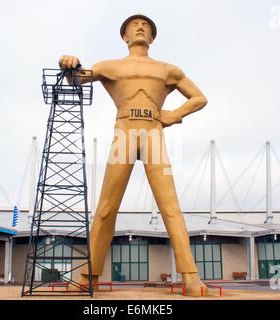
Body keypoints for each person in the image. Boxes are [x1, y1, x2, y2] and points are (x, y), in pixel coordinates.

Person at [59, 14, 208, 296]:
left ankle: (191, 277)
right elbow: (78, 78)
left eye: (146, 27)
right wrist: (69, 64)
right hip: (123, 134)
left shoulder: (168, 70)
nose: (140, 28)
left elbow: (199, 98)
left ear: (152, 37)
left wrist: (174, 115)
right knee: (105, 208)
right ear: (124, 36)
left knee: (171, 207)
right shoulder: (110, 66)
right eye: (134, 26)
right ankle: (87, 277)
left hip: (154, 134)